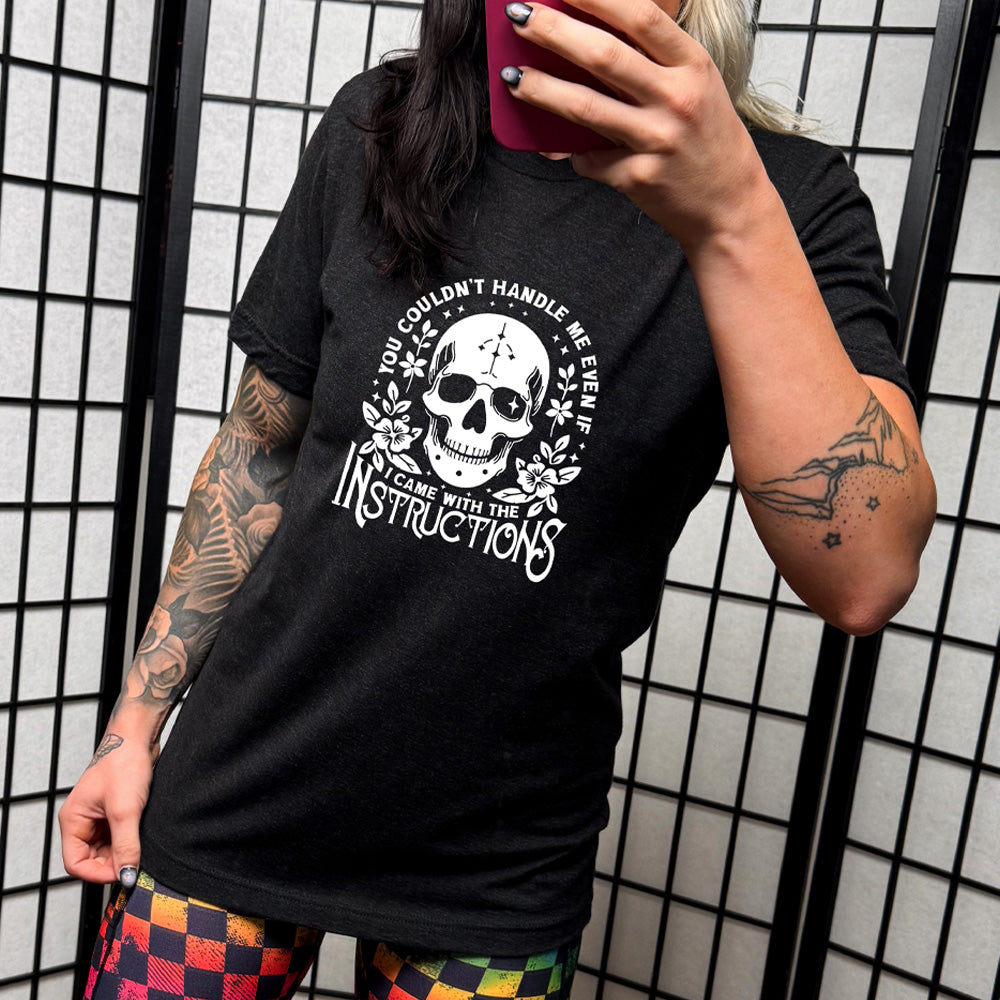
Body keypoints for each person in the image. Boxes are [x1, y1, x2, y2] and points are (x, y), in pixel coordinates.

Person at [60, 0, 937, 996]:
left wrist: (732, 211)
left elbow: (866, 575)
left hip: (493, 866)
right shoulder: (378, 127)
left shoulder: (787, 200)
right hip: (240, 786)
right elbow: (259, 451)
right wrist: (133, 728)